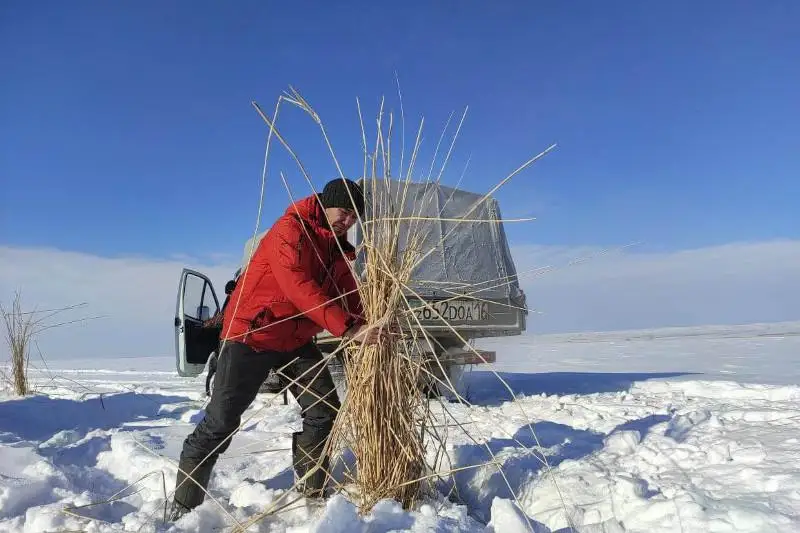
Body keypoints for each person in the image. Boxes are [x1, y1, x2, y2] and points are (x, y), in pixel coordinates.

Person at [170, 178, 386, 520]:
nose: (348, 221)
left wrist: (372, 323)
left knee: (323, 411)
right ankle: (183, 504)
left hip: (295, 340)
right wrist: (349, 328)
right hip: (252, 335)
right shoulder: (291, 230)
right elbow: (298, 286)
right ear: (326, 203)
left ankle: (311, 490)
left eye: (354, 216)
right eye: (344, 212)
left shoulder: (336, 247)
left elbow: (348, 293)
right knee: (221, 422)